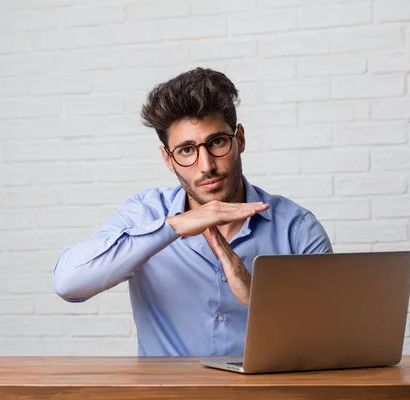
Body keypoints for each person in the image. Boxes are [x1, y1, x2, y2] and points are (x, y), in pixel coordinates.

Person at [52, 67, 333, 356]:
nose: (206, 165)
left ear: (240, 139)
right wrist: (173, 227)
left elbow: (332, 341)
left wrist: (259, 298)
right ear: (168, 159)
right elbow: (68, 283)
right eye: (187, 150)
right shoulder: (144, 215)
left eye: (217, 143)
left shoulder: (296, 229)